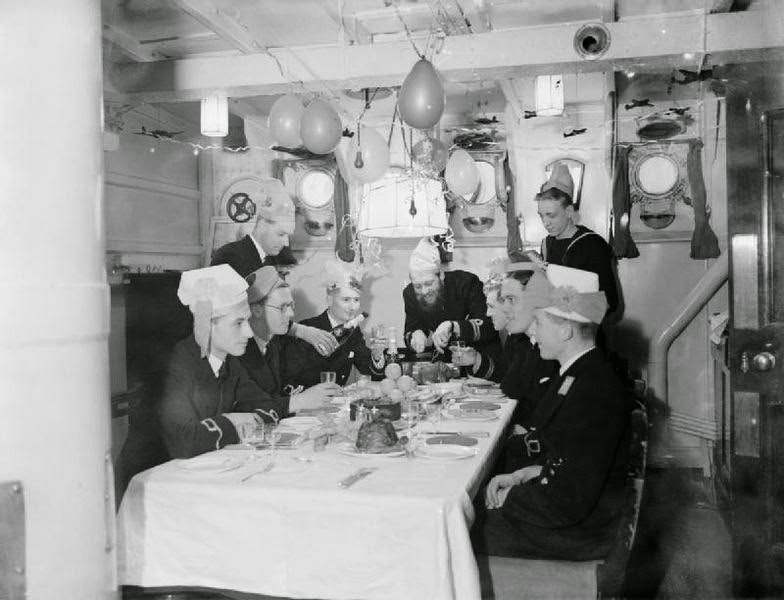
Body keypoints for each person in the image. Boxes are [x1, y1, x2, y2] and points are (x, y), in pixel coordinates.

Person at [472, 264, 632, 562]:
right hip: (576, 515)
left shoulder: (591, 391)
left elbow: (568, 501)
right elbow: (572, 461)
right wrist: (524, 474)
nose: (533, 333)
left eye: (539, 323)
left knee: (457, 532)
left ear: (566, 330)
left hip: (578, 534)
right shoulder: (581, 373)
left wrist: (511, 499)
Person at [157, 265, 289, 459]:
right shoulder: (176, 363)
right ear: (207, 324)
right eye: (238, 323)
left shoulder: (229, 362)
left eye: (248, 321)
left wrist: (236, 423)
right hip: (155, 477)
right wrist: (232, 420)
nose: (249, 332)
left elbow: (270, 407)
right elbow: (184, 442)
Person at [211, 180, 338, 357]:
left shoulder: (267, 259)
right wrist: (303, 331)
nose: (285, 243)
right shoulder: (229, 256)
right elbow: (239, 320)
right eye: (281, 234)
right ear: (260, 224)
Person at [240, 265, 341, 406]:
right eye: (282, 307)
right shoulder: (239, 350)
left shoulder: (273, 339)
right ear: (257, 310)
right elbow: (250, 407)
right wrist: (300, 400)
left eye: (291, 305)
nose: (291, 314)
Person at [282, 260, 387, 388]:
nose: (352, 307)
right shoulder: (308, 328)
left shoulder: (354, 332)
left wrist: (377, 356)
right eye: (346, 300)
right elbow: (290, 378)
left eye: (356, 300)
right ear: (330, 300)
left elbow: (368, 370)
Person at [534, 162, 619, 318]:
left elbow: (610, 302)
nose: (545, 223)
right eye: (541, 215)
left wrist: (567, 303)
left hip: (584, 332)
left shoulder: (593, 245)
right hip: (554, 328)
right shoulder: (547, 243)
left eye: (551, 215)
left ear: (568, 211)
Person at [403, 237, 501, 367]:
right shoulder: (410, 293)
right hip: (446, 366)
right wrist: (415, 335)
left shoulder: (467, 283)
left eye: (429, 283)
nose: (424, 291)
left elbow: (489, 326)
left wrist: (454, 326)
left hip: (482, 362)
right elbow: (410, 330)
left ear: (441, 275)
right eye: (418, 286)